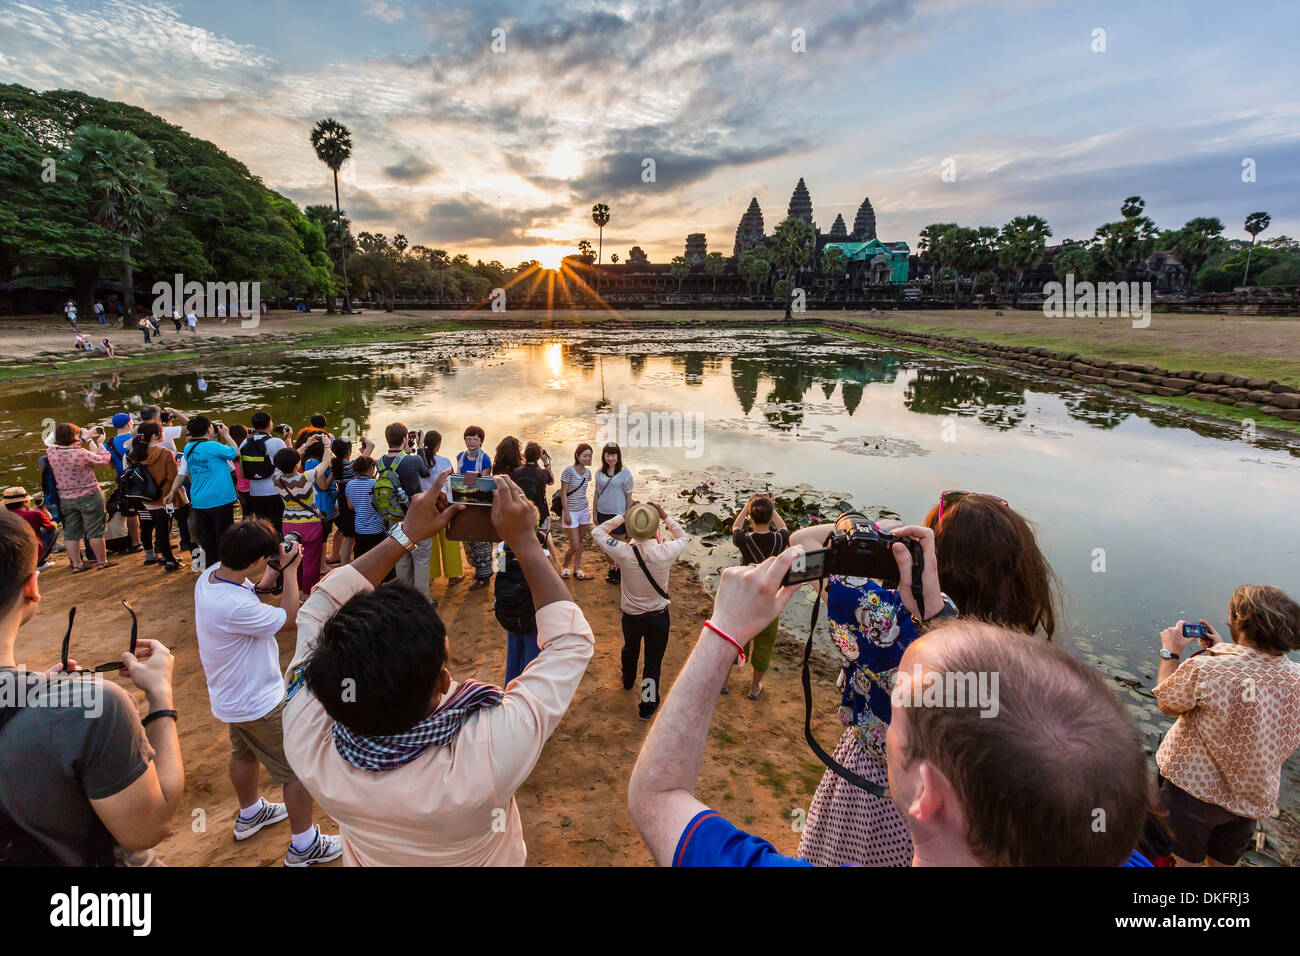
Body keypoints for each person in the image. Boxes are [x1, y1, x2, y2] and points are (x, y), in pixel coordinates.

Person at [627, 542, 1152, 867]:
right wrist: (939, 617)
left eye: (898, 718)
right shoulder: (1105, 848)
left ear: (929, 793)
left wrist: (723, 631)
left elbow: (658, 795)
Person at [282, 474, 597, 865]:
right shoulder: (486, 752)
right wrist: (526, 541)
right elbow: (572, 642)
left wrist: (406, 533)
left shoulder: (306, 734)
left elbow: (321, 603)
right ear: (444, 683)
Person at [789, 494, 1057, 867]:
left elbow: (803, 541)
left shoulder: (886, 618)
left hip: (870, 788)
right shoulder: (1019, 653)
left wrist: (886, 539)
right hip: (960, 806)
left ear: (935, 558)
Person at [0, 510, 184, 865]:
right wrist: (160, 696)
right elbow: (149, 826)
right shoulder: (95, 708)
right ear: (32, 588)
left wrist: (33, 696)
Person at [194, 519, 342, 866]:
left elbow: (252, 592)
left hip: (231, 697)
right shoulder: (233, 607)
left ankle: (251, 813)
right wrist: (291, 571)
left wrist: (271, 574)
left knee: (243, 753)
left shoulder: (212, 575)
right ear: (255, 560)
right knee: (296, 769)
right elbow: (289, 618)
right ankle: (304, 846)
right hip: (258, 701)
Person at [1153, 585, 1300, 867]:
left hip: (1189, 792)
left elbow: (1168, 703)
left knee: (1183, 864)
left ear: (1239, 621)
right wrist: (1222, 649)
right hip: (1248, 801)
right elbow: (1255, 671)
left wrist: (1169, 653)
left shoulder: (1208, 670)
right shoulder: (1296, 679)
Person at [594, 502, 689, 719]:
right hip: (658, 618)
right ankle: (646, 705)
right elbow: (683, 537)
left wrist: (622, 515)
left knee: (630, 648)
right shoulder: (666, 551)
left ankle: (628, 680)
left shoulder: (623, 552)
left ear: (630, 527)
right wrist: (666, 516)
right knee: (652, 662)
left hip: (632, 617)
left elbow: (598, 532)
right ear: (656, 529)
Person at [728, 493, 789, 699]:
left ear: (751, 519)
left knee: (735, 642)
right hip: (768, 604)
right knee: (764, 646)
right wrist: (772, 508)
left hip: (745, 602)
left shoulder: (744, 540)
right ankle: (754, 688)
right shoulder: (780, 541)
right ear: (770, 516)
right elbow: (784, 529)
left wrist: (746, 507)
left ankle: (724, 682)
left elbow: (735, 528)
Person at [167, 416, 238, 568]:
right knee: (224, 535)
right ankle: (227, 567)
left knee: (207, 537)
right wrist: (226, 434)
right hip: (220, 498)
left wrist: (172, 491)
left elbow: (182, 473)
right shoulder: (214, 446)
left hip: (199, 500)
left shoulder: (188, 448)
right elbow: (235, 453)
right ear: (209, 429)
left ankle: (211, 568)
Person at [44, 422, 115, 572]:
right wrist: (99, 443)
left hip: (65, 498)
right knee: (95, 530)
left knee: (71, 532)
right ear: (73, 437)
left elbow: (63, 446)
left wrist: (84, 438)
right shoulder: (81, 454)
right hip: (89, 495)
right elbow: (102, 459)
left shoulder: (51, 452)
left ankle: (77, 565)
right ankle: (102, 561)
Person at [377, 422, 432, 595]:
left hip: (394, 517)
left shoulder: (380, 462)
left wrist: (404, 451)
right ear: (404, 439)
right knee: (421, 560)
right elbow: (425, 472)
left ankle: (405, 600)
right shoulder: (414, 460)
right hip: (416, 517)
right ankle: (423, 601)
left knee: (401, 558)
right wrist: (420, 447)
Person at [272, 447, 332, 595]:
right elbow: (326, 461)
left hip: (288, 525)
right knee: (311, 561)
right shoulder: (306, 477)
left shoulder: (276, 479)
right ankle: (308, 593)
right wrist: (326, 445)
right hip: (310, 524)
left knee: (293, 558)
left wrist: (304, 445)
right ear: (298, 464)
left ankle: (296, 590)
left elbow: (284, 462)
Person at [127, 423, 182, 571]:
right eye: (162, 431)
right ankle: (193, 559)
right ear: (154, 436)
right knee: (182, 525)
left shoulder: (133, 455)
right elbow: (172, 477)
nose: (163, 433)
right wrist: (178, 468)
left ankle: (168, 559)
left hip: (147, 497)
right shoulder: (165, 453)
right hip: (167, 496)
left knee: (160, 528)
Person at [417, 431, 462, 584]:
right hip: (443, 504)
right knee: (449, 539)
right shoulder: (443, 461)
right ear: (438, 444)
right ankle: (453, 575)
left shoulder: (418, 462)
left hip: (425, 505)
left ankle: (430, 576)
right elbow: (452, 483)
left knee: (429, 541)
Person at [457, 425, 493, 590]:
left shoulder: (485, 459)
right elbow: (456, 479)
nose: (472, 441)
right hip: (464, 502)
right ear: (464, 439)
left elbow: (485, 484)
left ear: (481, 441)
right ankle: (479, 570)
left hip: (479, 505)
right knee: (469, 538)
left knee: (481, 539)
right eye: (469, 438)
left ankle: (484, 577)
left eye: (476, 439)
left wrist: (468, 484)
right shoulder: (460, 457)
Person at [240, 412, 287, 535]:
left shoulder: (245, 443)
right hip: (275, 491)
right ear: (270, 424)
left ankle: (266, 551)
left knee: (263, 526)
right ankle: (278, 551)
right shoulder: (276, 442)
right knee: (277, 525)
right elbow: (288, 462)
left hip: (255, 492)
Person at [594, 442, 634, 584]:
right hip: (602, 512)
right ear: (604, 456)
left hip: (618, 514)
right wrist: (594, 512)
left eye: (613, 455)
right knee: (606, 543)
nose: (610, 458)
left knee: (620, 544)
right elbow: (597, 494)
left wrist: (627, 516)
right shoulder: (599, 473)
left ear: (618, 456)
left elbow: (629, 498)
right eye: (608, 455)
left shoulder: (625, 473)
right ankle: (612, 568)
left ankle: (621, 569)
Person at [559, 443, 594, 580]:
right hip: (571, 511)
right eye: (584, 455)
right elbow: (563, 493)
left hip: (584, 510)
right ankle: (565, 566)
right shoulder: (568, 471)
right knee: (574, 544)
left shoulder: (588, 473)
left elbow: (583, 492)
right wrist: (566, 513)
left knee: (580, 542)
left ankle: (577, 569)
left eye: (589, 456)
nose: (587, 458)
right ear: (577, 455)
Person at [3, 487, 56, 569]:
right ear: (25, 502)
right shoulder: (35, 514)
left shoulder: (3, 517)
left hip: (10, 559)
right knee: (52, 532)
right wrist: (46, 513)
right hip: (32, 556)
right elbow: (52, 527)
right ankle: (39, 563)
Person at [345, 456, 385, 556]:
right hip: (377, 528)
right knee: (377, 557)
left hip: (360, 528)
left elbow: (350, 506)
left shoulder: (350, 485)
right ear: (371, 467)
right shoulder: (376, 484)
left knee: (361, 556)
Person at [512, 441, 553, 530]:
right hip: (540, 512)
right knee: (541, 540)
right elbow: (551, 481)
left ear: (525, 454)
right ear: (539, 456)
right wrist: (545, 462)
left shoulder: (516, 472)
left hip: (521, 511)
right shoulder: (543, 473)